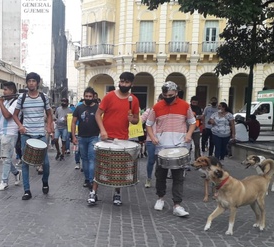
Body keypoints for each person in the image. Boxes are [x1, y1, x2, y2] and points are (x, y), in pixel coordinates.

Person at [88, 72, 140, 206]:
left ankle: (117, 193)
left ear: (131, 84)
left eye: (126, 82)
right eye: (121, 81)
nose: (123, 84)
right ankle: (93, 192)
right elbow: (98, 115)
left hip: (122, 137)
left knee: (119, 168)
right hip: (106, 137)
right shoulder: (109, 96)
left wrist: (132, 119)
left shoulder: (134, 100)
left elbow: (136, 120)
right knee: (101, 165)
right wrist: (103, 130)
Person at [146, 81, 196, 217]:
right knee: (160, 175)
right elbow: (148, 124)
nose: (168, 97)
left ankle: (177, 204)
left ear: (176, 94)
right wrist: (152, 137)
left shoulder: (185, 106)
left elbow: (192, 123)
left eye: (171, 95)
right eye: (165, 95)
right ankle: (160, 198)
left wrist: (188, 134)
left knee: (178, 177)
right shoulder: (157, 107)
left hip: (179, 147)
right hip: (161, 147)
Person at [12, 72, 54, 200]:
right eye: (29, 81)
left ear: (37, 83)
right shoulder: (22, 98)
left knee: (45, 163)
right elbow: (15, 114)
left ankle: (45, 182)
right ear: (27, 83)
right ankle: (27, 191)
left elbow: (49, 113)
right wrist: (20, 126)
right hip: (26, 134)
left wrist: (48, 126)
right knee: (25, 162)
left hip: (41, 134)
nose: (31, 83)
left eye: (33, 81)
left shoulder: (43, 97)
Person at [0, 82, 22, 191]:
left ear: (12, 91)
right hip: (0, 132)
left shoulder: (16, 102)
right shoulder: (4, 102)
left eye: (5, 90)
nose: (3, 92)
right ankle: (15, 172)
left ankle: (4, 181)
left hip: (10, 133)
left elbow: (7, 116)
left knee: (6, 158)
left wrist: (0, 103)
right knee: (2, 158)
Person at [71, 87, 100, 189]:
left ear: (93, 97)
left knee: (92, 159)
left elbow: (102, 121)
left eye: (90, 96)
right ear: (83, 97)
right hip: (82, 138)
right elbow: (73, 122)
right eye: (86, 96)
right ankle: (87, 179)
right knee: (84, 159)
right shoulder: (79, 108)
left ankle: (92, 180)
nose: (88, 98)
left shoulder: (97, 108)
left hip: (94, 137)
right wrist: (73, 136)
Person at [190, 96, 203, 160]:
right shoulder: (188, 108)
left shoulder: (199, 108)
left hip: (196, 129)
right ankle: (187, 160)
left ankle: (197, 159)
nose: (194, 103)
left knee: (197, 145)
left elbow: (200, 116)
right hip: (188, 129)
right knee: (188, 146)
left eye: (196, 102)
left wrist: (195, 117)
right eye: (193, 102)